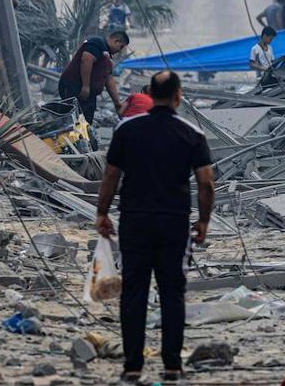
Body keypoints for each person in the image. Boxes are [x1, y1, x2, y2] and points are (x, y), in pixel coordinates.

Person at [97, 71, 215, 383]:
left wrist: (102, 212)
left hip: (135, 221)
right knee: (172, 292)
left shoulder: (127, 130)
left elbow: (111, 175)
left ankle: (133, 365)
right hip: (174, 223)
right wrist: (203, 221)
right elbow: (206, 184)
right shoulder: (191, 133)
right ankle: (172, 365)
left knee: (134, 292)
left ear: (149, 93)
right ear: (178, 96)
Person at [57, 31, 130, 149]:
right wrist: (85, 86)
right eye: (120, 47)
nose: (119, 50)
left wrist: (117, 102)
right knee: (73, 119)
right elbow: (86, 59)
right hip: (74, 87)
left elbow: (109, 79)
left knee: (86, 121)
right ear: (116, 41)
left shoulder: (106, 57)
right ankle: (67, 147)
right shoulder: (98, 43)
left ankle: (82, 148)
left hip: (89, 94)